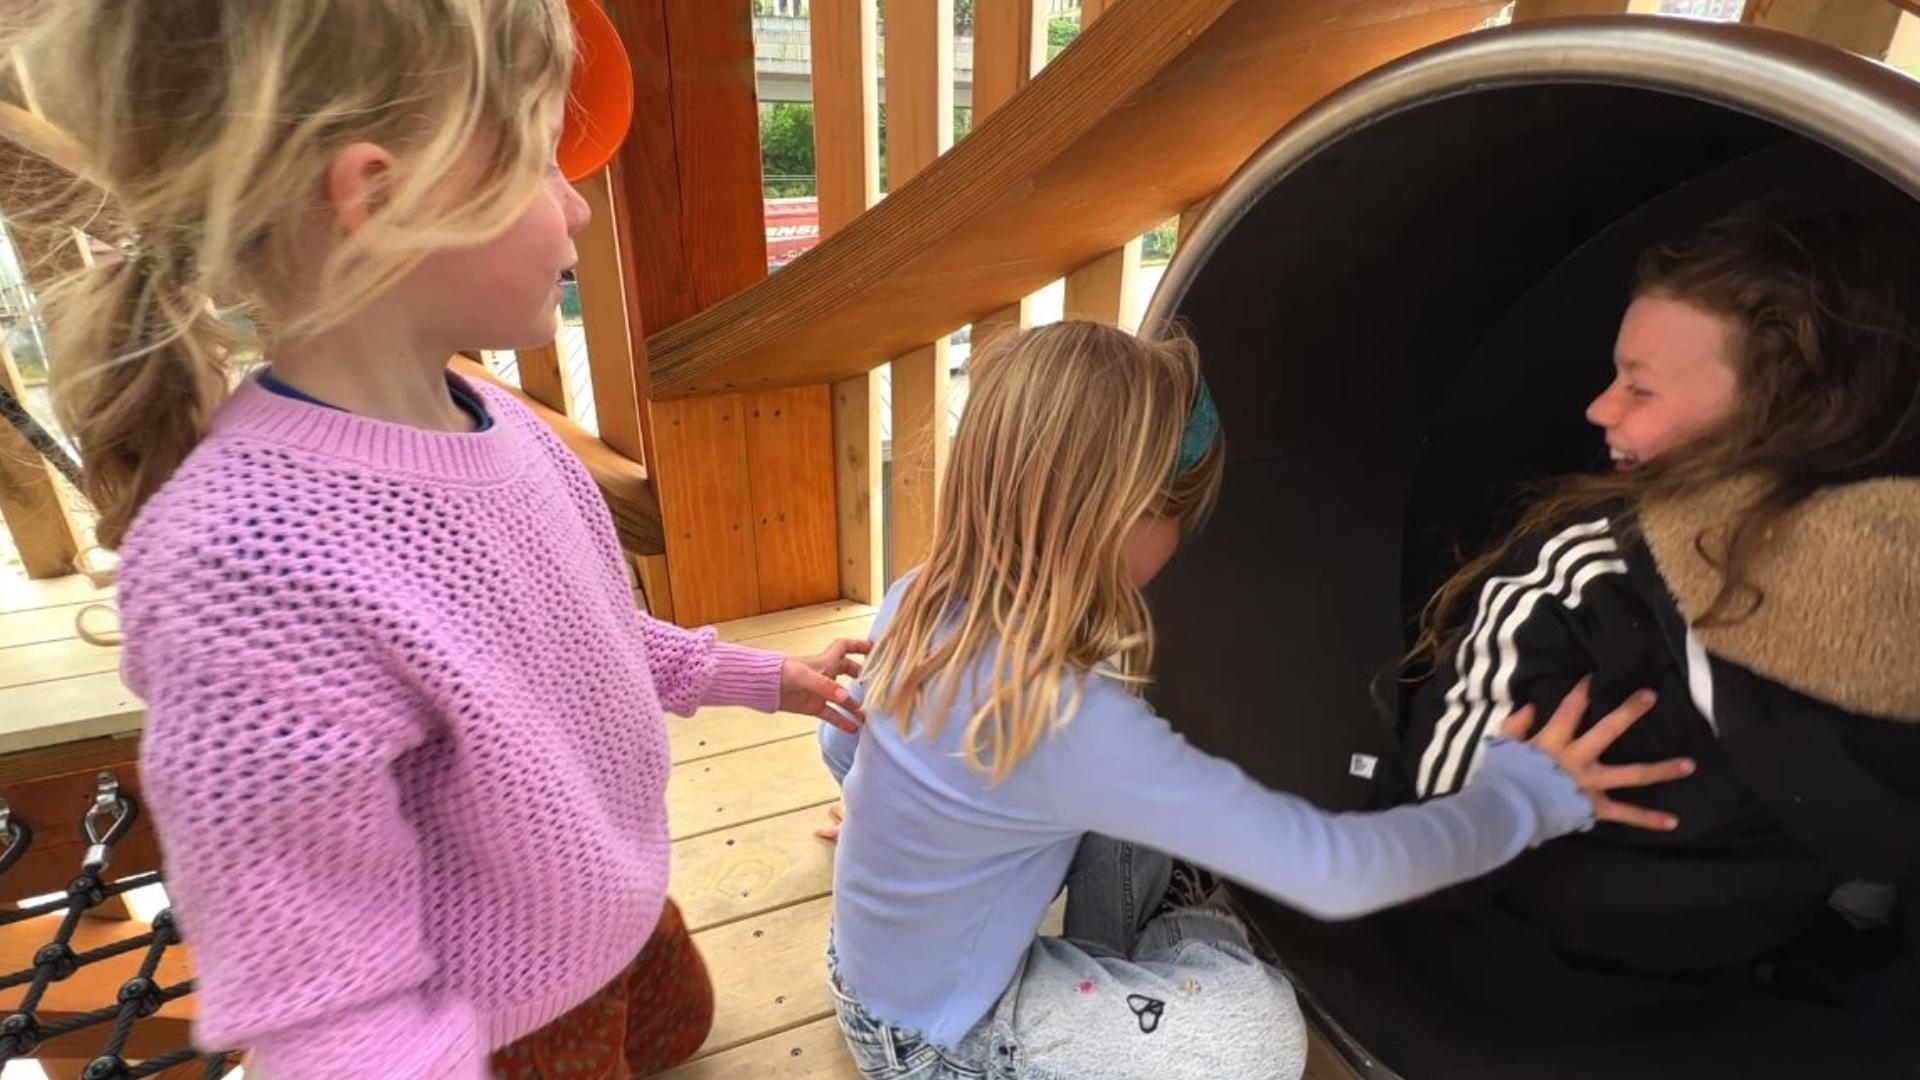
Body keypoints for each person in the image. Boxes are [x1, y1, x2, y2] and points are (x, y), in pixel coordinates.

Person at [6, 2, 867, 1076]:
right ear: (380, 197)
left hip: (613, 897)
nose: (579, 210)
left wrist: (757, 676)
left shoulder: (503, 424)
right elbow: (324, 1007)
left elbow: (587, 635)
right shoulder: (244, 565)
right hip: (498, 1024)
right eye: (545, 165)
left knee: (680, 1034)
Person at [817, 321, 1690, 1078]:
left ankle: (1121, 951)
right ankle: (1172, 939)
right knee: (1256, 1035)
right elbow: (1336, 873)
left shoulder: (920, 595)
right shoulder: (1071, 718)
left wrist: (886, 819)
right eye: (1182, 522)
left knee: (1131, 786)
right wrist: (1529, 795)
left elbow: (846, 743)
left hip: (867, 964)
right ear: (1130, 523)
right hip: (940, 1041)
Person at [1389, 192, 1920, 1023]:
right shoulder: (1900, 585)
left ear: (1782, 409)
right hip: (1758, 978)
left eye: (1638, 388)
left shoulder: (1586, 571)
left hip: (1527, 978)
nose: (1601, 408)